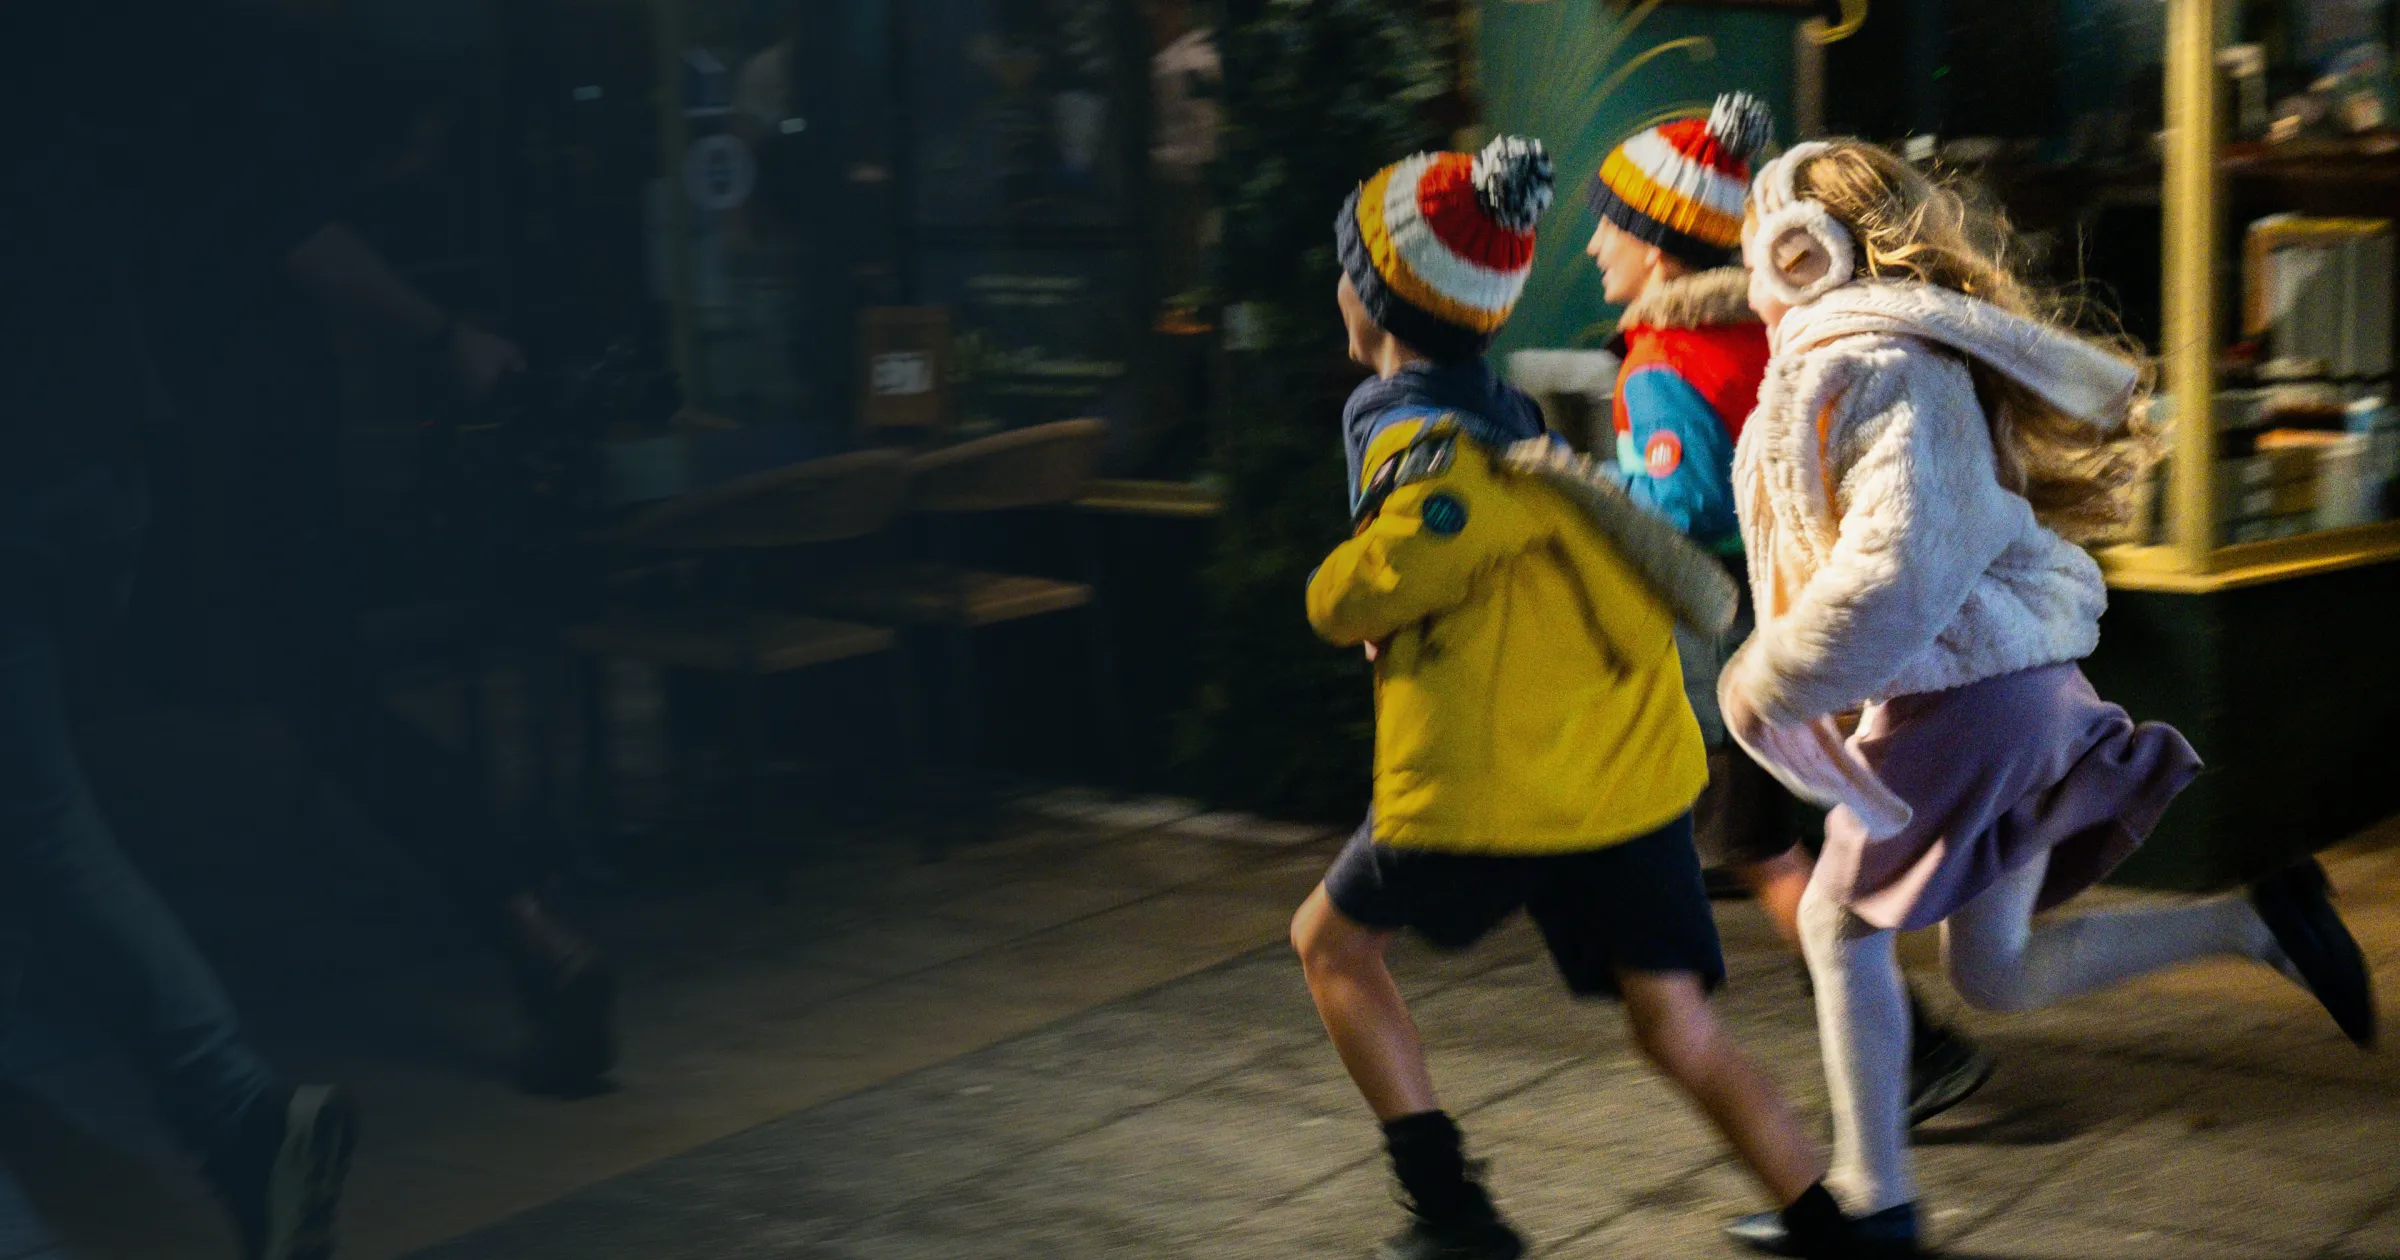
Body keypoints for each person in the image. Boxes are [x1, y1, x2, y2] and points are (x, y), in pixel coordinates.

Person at [1714, 139, 2378, 1256]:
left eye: (1758, 258)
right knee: (1997, 970)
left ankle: (1875, 1200)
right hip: (2008, 689)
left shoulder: (1879, 367)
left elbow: (1892, 571)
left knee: (1835, 921)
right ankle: (2259, 923)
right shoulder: (1890, 356)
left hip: (1970, 698)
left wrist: (1766, 679)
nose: (1750, 285)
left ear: (1805, 252)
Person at [1290, 135, 1884, 1260]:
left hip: (1500, 775)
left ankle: (1452, 1213)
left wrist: (1338, 594)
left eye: (1346, 273)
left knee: (1331, 947)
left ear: (1375, 301)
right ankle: (1828, 1226)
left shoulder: (1428, 450)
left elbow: (1374, 584)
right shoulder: (1522, 426)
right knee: (1672, 1022)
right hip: (1628, 770)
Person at [121, 5, 617, 1095]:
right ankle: (531, 926)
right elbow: (301, 235)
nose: (424, 165)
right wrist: (444, 338)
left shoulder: (183, 115)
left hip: (201, 476)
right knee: (333, 715)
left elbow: (293, 241)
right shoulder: (232, 112)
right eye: (420, 140)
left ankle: (531, 928)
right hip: (231, 472)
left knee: (304, 716)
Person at [0, 8, 356, 1256]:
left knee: (40, 831)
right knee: (40, 830)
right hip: (82, 477)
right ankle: (244, 1120)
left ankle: (236, 1119)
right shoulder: (68, 77)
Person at [1580, 94, 1994, 1125]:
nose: (1593, 247)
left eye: (1609, 226)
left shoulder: (1662, 362)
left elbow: (1682, 508)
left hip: (1728, 639)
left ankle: (1914, 1050)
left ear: (1657, 248)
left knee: (1759, 846)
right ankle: (1909, 1028)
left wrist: (1596, 498)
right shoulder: (1755, 335)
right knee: (1794, 833)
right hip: (1804, 613)